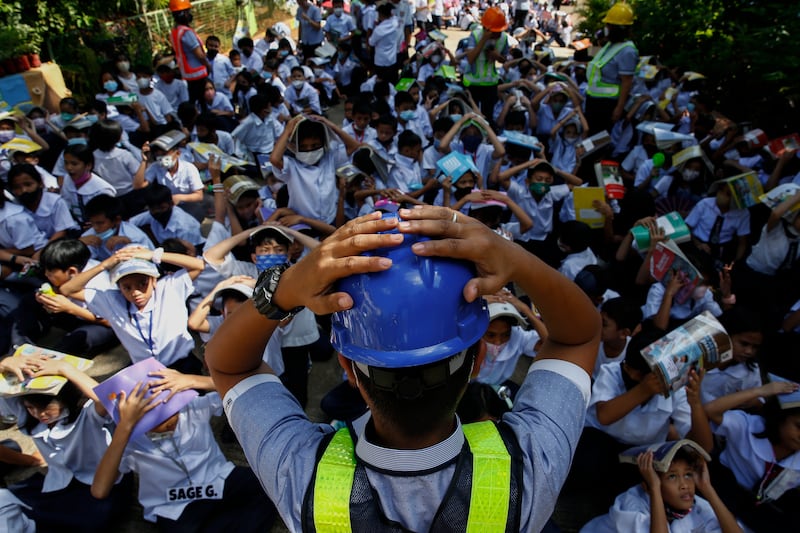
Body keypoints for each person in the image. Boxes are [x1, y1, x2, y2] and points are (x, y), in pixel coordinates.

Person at [205, 206, 601, 532]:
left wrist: (285, 287)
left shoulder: (301, 476)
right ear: (478, 360)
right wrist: (517, 259)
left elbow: (228, 366)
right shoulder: (529, 471)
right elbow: (578, 337)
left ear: (348, 367)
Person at [59, 245, 205, 374]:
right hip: (146, 370)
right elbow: (68, 289)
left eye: (142, 284)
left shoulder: (169, 288)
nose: (135, 292)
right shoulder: (112, 301)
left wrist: (153, 254)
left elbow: (198, 265)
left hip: (182, 364)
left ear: (154, 280)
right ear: (118, 287)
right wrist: (103, 265)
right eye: (127, 287)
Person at [581, 443, 743, 533]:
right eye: (672, 476)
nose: (684, 485)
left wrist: (707, 488)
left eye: (688, 474)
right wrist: (655, 488)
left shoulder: (696, 505)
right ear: (648, 484)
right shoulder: (631, 502)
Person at [584, 2, 638, 135]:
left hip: (607, 104)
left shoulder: (627, 51)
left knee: (598, 140)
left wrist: (619, 108)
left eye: (609, 25)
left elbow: (627, 81)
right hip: (594, 100)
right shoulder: (610, 45)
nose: (606, 28)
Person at [463, 7, 510, 120]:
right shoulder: (475, 36)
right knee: (471, 116)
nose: (497, 34)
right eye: (494, 32)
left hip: (491, 84)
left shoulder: (503, 38)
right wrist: (483, 40)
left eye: (499, 31)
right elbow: (470, 58)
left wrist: (497, 56)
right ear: (486, 28)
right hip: (472, 84)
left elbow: (504, 59)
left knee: (487, 117)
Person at [168, 0, 211, 107]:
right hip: (197, 72)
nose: (189, 15)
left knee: (193, 99)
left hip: (187, 73)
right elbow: (200, 55)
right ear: (182, 14)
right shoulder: (186, 32)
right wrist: (208, 65)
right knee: (202, 101)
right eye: (187, 12)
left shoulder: (174, 32)